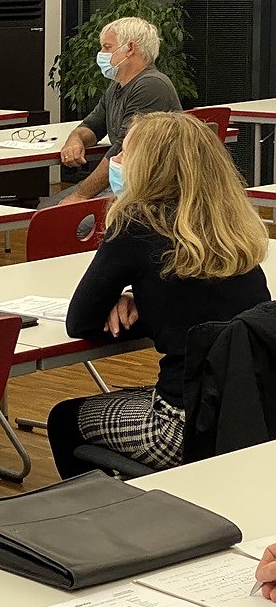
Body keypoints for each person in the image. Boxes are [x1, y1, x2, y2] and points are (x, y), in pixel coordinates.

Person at [47, 112, 269, 478]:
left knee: (65, 418)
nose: (116, 160)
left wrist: (130, 301)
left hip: (184, 425)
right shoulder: (233, 228)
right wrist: (142, 299)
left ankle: (102, 510)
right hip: (250, 415)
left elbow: (80, 321)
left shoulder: (137, 225)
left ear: (151, 166)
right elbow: (196, 308)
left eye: (125, 153)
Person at [51, 16, 181, 205]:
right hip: (126, 183)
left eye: (107, 47)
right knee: (48, 207)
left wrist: (81, 196)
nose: (101, 53)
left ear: (130, 48)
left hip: (148, 190)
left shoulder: (151, 86)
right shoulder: (117, 86)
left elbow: (121, 149)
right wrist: (75, 139)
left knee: (58, 215)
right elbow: (92, 126)